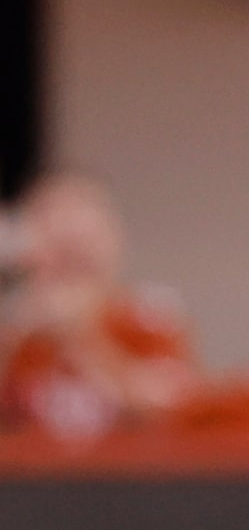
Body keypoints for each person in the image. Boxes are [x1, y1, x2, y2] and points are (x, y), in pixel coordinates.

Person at [0, 175, 198, 439]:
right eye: (60, 252)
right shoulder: (16, 328)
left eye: (83, 251)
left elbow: (176, 405)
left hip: (127, 475)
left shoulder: (148, 318)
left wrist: (84, 341)